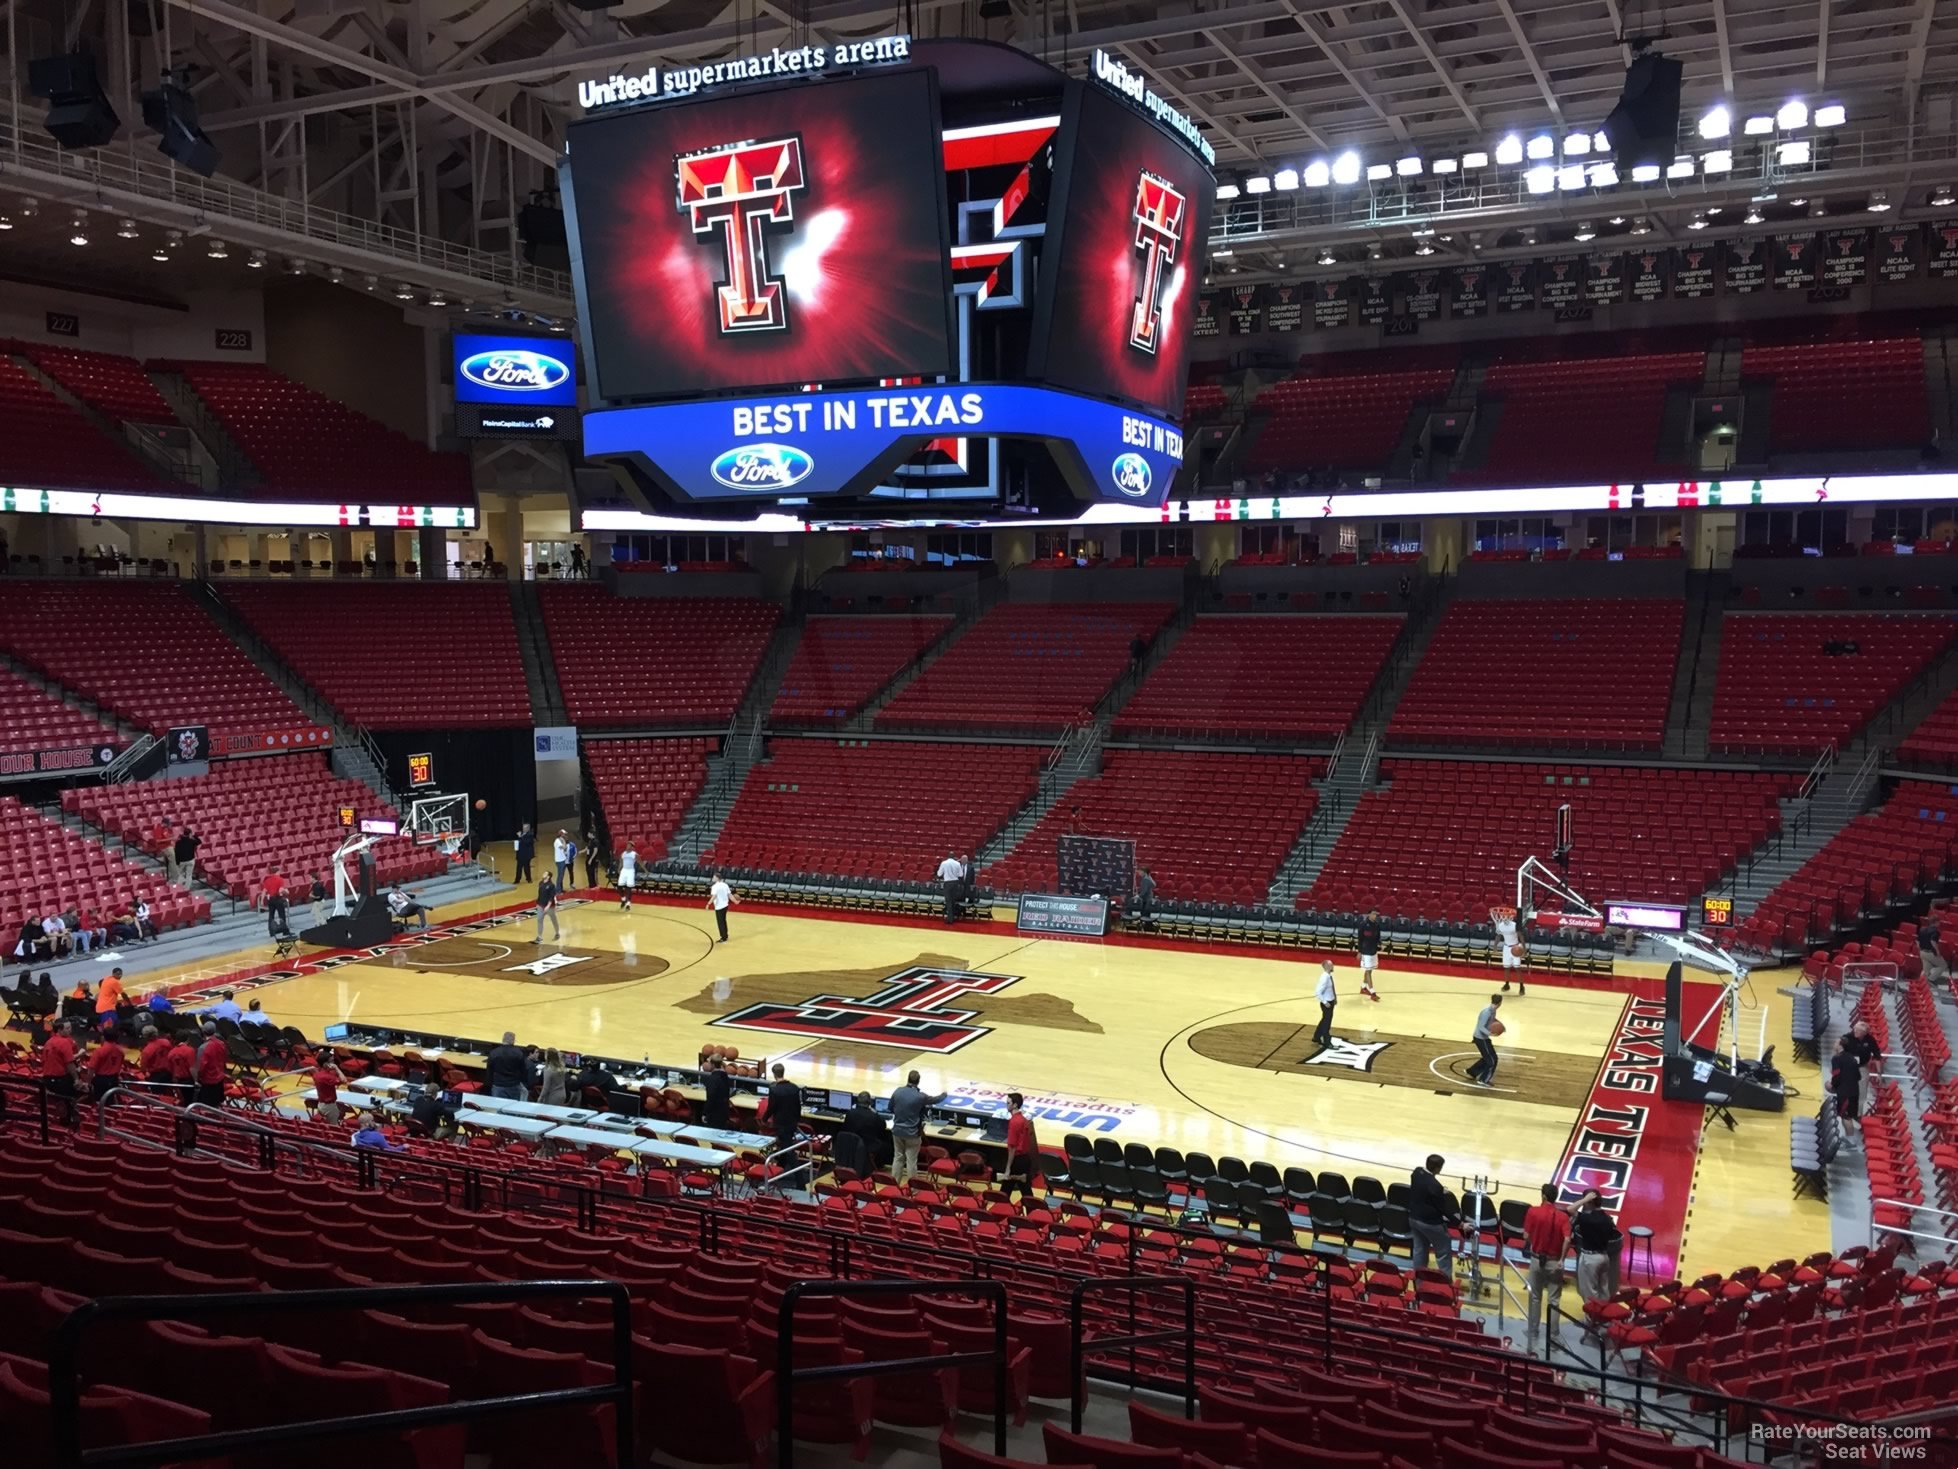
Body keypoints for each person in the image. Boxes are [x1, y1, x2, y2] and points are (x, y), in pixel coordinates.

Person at [1522, 1183, 1573, 1353]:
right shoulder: (1563, 1217)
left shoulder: (1533, 1211)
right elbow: (1567, 1239)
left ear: (1543, 1196)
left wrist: (1533, 1241)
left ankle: (1533, 1330)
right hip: (1554, 1262)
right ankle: (1554, 1336)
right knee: (1554, 1300)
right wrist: (1562, 1259)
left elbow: (1526, 1236)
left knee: (1535, 1297)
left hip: (1537, 1259)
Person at [1571, 1191, 1622, 1313]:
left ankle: (1592, 1324)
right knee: (1603, 1290)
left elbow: (1570, 1209)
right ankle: (1604, 1316)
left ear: (1589, 1202)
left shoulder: (1587, 1219)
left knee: (1590, 1294)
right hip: (1604, 1257)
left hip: (1590, 1259)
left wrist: (1584, 1200)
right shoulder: (1607, 1219)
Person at [889, 1069, 944, 1184]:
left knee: (898, 1158)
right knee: (911, 1161)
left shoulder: (898, 1091)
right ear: (918, 1082)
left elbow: (890, 1108)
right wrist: (945, 1094)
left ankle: (893, 1185)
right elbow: (935, 1099)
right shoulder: (920, 1096)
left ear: (907, 1079)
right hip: (912, 1133)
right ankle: (913, 1189)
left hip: (897, 1131)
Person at [1408, 1154, 1456, 1273]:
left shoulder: (1417, 1172)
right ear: (1437, 1168)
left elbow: (1423, 1184)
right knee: (1443, 1252)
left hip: (1413, 1218)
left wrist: (1438, 1190)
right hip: (1430, 1223)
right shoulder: (1435, 1185)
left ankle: (1419, 1280)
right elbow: (1443, 1209)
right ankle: (1445, 1282)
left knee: (1419, 1250)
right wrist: (1460, 1224)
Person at [1003, 1092, 1042, 1201]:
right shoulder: (1023, 1119)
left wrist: (1008, 1168)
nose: (1006, 1104)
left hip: (1017, 1161)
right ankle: (1032, 1214)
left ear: (1015, 1105)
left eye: (1008, 1103)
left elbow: (1012, 1147)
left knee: (1004, 1193)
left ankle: (998, 1213)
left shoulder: (1014, 1122)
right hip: (1025, 1159)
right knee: (1026, 1192)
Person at [40, 1020, 81, 1123]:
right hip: (60, 1079)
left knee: (58, 1102)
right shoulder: (64, 1042)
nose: (70, 1030)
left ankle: (61, 1123)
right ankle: (69, 1124)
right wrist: (76, 1079)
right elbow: (69, 1063)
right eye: (67, 1028)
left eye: (70, 1028)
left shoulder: (48, 1042)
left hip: (47, 1079)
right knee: (69, 1102)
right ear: (59, 1030)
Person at [841, 1091, 890, 1172]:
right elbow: (883, 1126)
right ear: (870, 1102)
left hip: (852, 1144)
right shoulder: (873, 1116)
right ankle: (879, 1165)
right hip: (867, 1145)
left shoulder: (850, 1113)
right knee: (887, 1145)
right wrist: (876, 1113)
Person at [1830, 1034, 1863, 1141]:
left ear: (1840, 1046)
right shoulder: (1852, 1058)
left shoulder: (1837, 1058)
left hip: (1845, 1093)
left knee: (1846, 1117)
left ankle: (1850, 1142)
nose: (1834, 1044)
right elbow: (1858, 1076)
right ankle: (1849, 1139)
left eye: (1836, 1042)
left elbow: (1836, 1076)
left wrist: (1832, 1086)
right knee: (1848, 1116)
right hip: (1854, 1091)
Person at [1466, 994, 1503, 1087]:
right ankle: (1483, 1080)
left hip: (1483, 1038)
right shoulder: (1486, 1012)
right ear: (1500, 1003)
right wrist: (1490, 1033)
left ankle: (1472, 1072)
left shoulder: (1492, 1011)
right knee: (1491, 1061)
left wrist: (1501, 1026)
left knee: (1491, 1057)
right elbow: (1481, 1027)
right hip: (1480, 1038)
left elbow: (1491, 1020)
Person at [765, 1062, 801, 1154]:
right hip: (792, 1123)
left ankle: (795, 1167)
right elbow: (798, 1106)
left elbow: (771, 1107)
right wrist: (797, 1120)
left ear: (774, 1074)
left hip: (781, 1124)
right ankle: (784, 1166)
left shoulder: (774, 1090)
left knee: (786, 1148)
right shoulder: (795, 1088)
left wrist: (764, 1119)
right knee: (786, 1146)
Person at [1493, 905, 1527, 995]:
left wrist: (1524, 949)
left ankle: (1521, 987)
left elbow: (1521, 936)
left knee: (1517, 968)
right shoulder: (1500, 925)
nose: (1503, 917)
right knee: (1506, 968)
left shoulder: (1515, 925)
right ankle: (1507, 984)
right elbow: (1498, 936)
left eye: (1505, 915)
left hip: (1516, 947)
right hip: (1506, 948)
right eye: (1502, 915)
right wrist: (1495, 945)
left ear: (1510, 916)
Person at [485, 1032, 529, 1100]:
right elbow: (523, 1070)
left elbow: (489, 1070)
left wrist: (489, 1084)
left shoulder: (494, 1052)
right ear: (513, 1040)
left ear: (503, 1039)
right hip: (513, 1085)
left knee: (497, 1105)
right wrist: (523, 1083)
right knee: (512, 1107)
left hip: (498, 1085)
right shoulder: (518, 1053)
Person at [194, 1023, 228, 1106]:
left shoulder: (203, 1047)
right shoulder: (222, 1044)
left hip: (208, 1081)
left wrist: (197, 1078)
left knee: (207, 1108)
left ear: (203, 1032)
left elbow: (200, 1067)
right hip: (219, 1078)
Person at [1356, 908, 1383, 1001]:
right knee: (1368, 971)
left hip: (1373, 951)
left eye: (1376, 914)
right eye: (1373, 914)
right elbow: (1360, 939)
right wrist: (1359, 951)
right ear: (1369, 915)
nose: (1375, 916)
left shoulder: (1377, 925)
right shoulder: (1363, 925)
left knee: (1370, 970)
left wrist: (1380, 944)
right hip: (1365, 951)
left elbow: (1378, 937)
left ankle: (1363, 987)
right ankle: (1373, 992)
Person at [701, 1055, 734, 1129]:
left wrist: (705, 1113)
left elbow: (711, 1098)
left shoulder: (712, 1079)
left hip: (714, 1114)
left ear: (712, 1064)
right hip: (724, 1112)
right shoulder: (725, 1077)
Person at [165, 1032, 197, 1104]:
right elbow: (192, 1068)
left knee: (182, 1101)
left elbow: (169, 1069)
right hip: (188, 1081)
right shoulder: (190, 1050)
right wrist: (196, 1081)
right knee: (191, 1102)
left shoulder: (171, 1052)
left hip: (177, 1082)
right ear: (188, 1040)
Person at [1312, 960, 1337, 1049]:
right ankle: (1327, 1042)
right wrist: (1325, 1002)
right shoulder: (1324, 978)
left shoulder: (1328, 976)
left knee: (1324, 1020)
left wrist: (1335, 998)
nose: (1333, 966)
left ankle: (1316, 1036)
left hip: (1330, 1001)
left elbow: (1330, 989)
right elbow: (1318, 992)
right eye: (1331, 965)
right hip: (1327, 1003)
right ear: (1327, 967)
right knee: (1327, 1023)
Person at [706, 873, 736, 943]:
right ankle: (725, 935)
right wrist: (735, 901)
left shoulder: (714, 887)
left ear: (717, 878)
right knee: (723, 921)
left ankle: (723, 937)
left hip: (719, 906)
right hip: (725, 905)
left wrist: (708, 903)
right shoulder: (725, 885)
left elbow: (714, 896)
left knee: (720, 922)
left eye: (714, 877)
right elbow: (729, 895)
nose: (712, 878)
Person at [936, 852, 965, 924]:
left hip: (948, 883)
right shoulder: (957, 864)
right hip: (955, 883)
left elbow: (939, 874)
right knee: (953, 900)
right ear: (954, 856)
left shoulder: (944, 863)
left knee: (948, 901)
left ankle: (950, 918)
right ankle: (951, 917)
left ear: (948, 856)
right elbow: (961, 874)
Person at [534, 874, 561, 943]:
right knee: (539, 919)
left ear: (548, 876)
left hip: (549, 907)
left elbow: (552, 896)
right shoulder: (541, 883)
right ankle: (539, 937)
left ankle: (557, 933)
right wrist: (537, 903)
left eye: (545, 873)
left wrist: (548, 905)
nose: (543, 874)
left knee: (553, 919)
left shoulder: (551, 885)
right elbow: (540, 894)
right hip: (540, 905)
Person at [616, 841, 638, 911]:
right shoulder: (623, 853)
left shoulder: (634, 854)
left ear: (632, 847)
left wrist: (645, 870)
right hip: (624, 870)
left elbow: (640, 862)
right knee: (619, 887)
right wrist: (619, 869)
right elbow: (621, 862)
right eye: (627, 845)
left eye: (629, 845)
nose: (627, 846)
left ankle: (628, 904)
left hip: (630, 871)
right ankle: (623, 899)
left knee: (628, 888)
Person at [582, 825, 602, 890]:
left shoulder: (595, 841)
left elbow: (595, 851)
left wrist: (591, 859)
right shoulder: (590, 841)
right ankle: (590, 885)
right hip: (588, 857)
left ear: (591, 834)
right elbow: (587, 848)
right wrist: (582, 851)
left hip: (593, 859)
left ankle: (594, 885)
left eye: (588, 833)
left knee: (591, 871)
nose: (587, 834)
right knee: (588, 871)